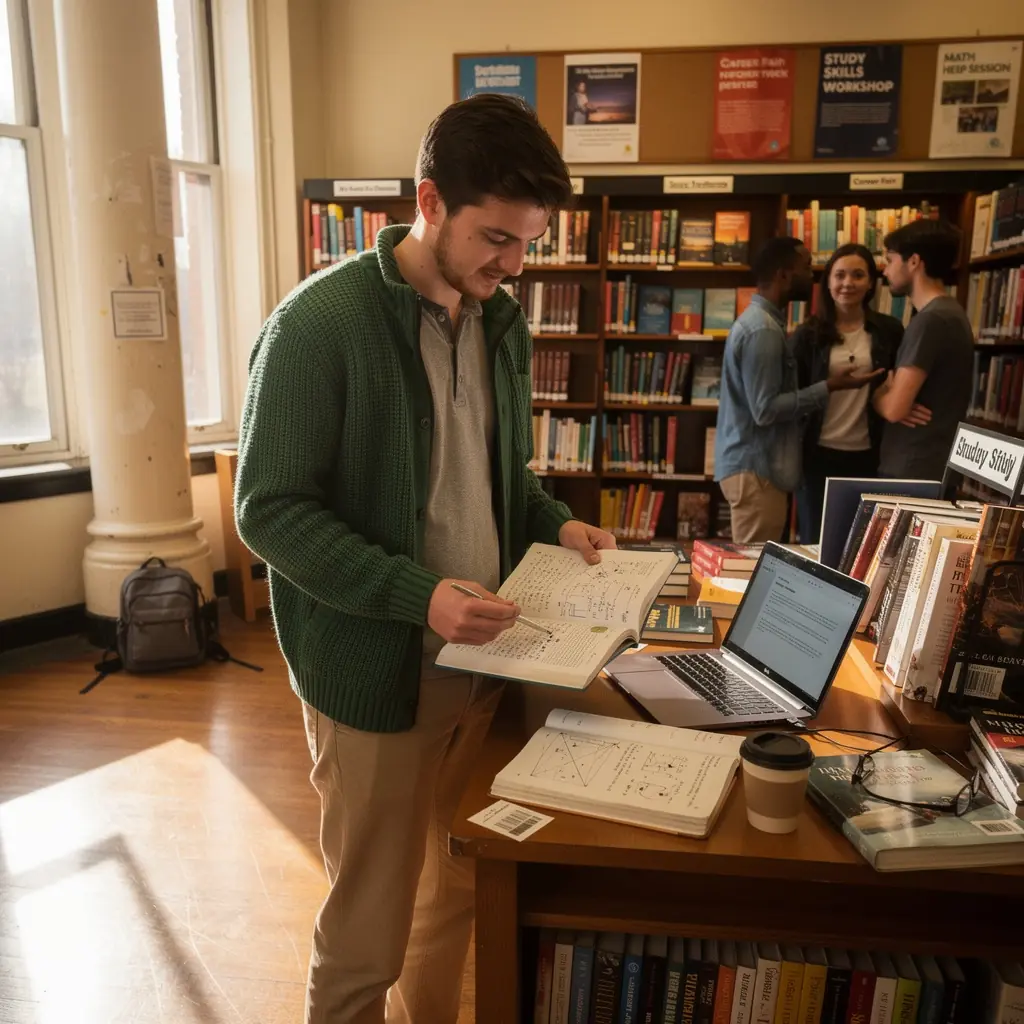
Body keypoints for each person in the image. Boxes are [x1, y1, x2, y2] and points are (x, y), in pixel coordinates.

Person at [234, 93, 616, 1024]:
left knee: (453, 896)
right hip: (378, 674)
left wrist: (554, 524)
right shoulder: (320, 326)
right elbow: (268, 512)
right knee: (369, 924)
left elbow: (498, 481)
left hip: (488, 663)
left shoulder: (502, 322)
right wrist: (419, 596)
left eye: (528, 243)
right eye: (495, 237)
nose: (511, 264)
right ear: (429, 201)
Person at [714, 236, 883, 544]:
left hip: (759, 467)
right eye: (806, 267)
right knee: (750, 569)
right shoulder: (763, 330)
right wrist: (830, 386)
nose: (813, 274)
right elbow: (765, 410)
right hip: (757, 470)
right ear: (784, 275)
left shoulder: (765, 324)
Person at [791, 243, 905, 543]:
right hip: (817, 455)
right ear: (827, 281)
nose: (847, 283)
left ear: (870, 283)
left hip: (870, 455)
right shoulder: (807, 335)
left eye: (858, 275)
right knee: (816, 544)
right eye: (839, 275)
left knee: (865, 546)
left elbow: (901, 383)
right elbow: (795, 397)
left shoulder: (889, 331)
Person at [874, 219, 973, 480]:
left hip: (914, 467)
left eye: (891, 259)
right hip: (929, 464)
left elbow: (895, 408)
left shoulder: (930, 321)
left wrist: (879, 394)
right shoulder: (951, 312)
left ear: (914, 261)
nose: (885, 270)